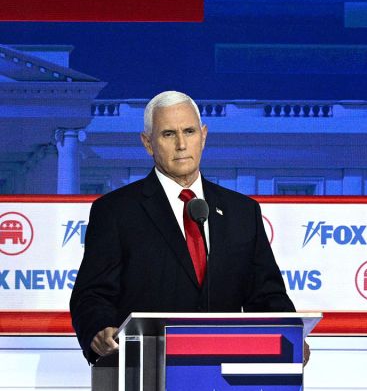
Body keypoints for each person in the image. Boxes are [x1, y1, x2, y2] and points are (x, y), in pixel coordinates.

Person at [70, 90, 297, 365]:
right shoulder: (116, 211)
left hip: (226, 376)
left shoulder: (242, 212)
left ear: (203, 135)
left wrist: (292, 338)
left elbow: (267, 296)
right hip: (143, 370)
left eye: (189, 131)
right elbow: (92, 294)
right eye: (168, 134)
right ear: (148, 143)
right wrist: (99, 329)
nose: (181, 144)